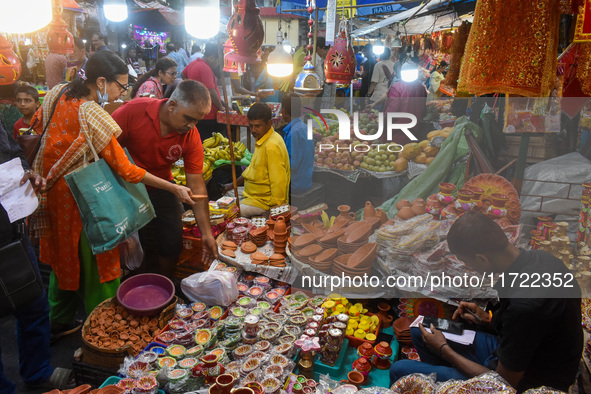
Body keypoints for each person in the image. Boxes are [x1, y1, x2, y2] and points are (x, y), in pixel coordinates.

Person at [30, 50, 195, 340]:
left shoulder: (56, 93)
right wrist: (173, 188)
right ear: (102, 81)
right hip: (85, 202)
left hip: (51, 195)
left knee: (63, 261)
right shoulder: (92, 112)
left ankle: (57, 320)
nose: (123, 91)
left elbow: (38, 129)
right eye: (120, 85)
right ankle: (102, 334)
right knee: (101, 267)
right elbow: (127, 170)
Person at [389, 212, 583, 393]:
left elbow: (503, 384)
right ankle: (450, 383)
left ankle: (452, 381)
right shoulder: (541, 259)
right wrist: (489, 320)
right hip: (516, 352)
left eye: (467, 262)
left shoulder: (524, 307)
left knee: (400, 369)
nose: (467, 267)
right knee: (420, 330)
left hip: (528, 381)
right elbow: (529, 331)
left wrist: (444, 350)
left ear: (482, 258)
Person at [111, 80, 219, 277]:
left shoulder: (191, 135)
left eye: (197, 121)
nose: (192, 126)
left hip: (164, 186)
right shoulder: (132, 112)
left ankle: (165, 282)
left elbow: (197, 186)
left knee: (171, 240)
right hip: (125, 187)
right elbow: (103, 149)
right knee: (136, 247)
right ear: (172, 105)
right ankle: (139, 283)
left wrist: (206, 233)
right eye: (188, 118)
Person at [0, 114, 75, 393]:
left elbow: (12, 151)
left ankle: (37, 372)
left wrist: (26, 171)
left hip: (11, 224)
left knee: (32, 301)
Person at [223, 103, 290, 217]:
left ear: (269, 123)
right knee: (223, 197)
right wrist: (231, 185)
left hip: (263, 201)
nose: (253, 130)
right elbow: (252, 169)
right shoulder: (263, 139)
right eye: (251, 126)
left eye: (258, 126)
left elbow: (278, 182)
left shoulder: (271, 146)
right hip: (252, 193)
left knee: (226, 212)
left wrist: (274, 209)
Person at [369, 59, 427, 144]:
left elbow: (391, 111)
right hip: (413, 133)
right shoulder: (422, 88)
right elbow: (422, 109)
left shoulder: (397, 87)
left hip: (394, 135)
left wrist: (381, 125)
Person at [182, 42, 226, 141]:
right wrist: (221, 107)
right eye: (218, 61)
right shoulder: (205, 68)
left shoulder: (194, 63)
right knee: (209, 142)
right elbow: (211, 90)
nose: (217, 64)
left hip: (199, 110)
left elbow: (183, 74)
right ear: (212, 57)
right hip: (208, 115)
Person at [280, 92, 313, 194]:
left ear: (285, 111)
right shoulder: (304, 127)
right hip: (306, 181)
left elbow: (291, 165)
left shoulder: (293, 134)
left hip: (296, 185)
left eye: (282, 109)